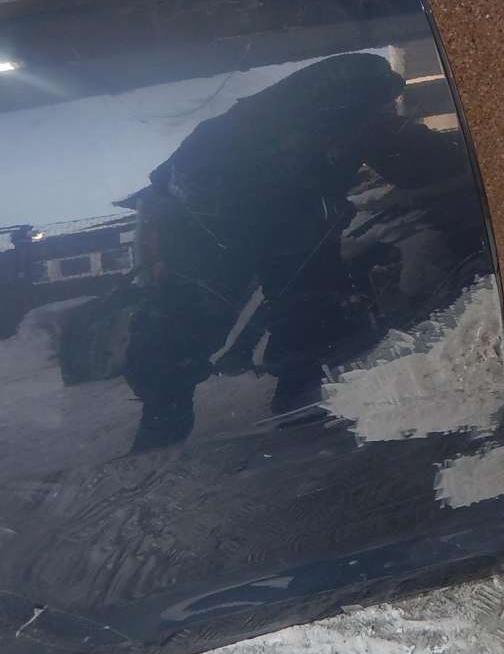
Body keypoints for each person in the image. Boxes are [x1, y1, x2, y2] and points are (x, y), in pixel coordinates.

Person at [120, 52, 467, 453]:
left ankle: (180, 413)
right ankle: (290, 400)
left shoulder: (277, 119)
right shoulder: (346, 109)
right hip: (222, 216)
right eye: (387, 104)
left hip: (212, 212)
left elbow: (405, 155)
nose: (390, 111)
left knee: (230, 310)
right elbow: (418, 158)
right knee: (294, 294)